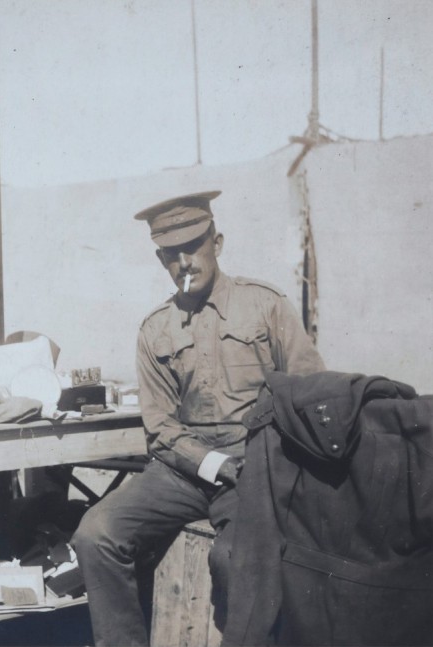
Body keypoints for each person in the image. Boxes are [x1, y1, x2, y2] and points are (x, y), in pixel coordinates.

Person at [71, 190, 325, 646]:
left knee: (233, 560)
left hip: (255, 469)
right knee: (96, 534)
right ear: (160, 260)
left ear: (218, 243)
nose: (184, 262)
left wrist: (277, 467)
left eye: (194, 247)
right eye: (171, 254)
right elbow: (161, 427)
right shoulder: (155, 329)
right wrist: (212, 464)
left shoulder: (265, 306)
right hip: (182, 471)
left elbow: (310, 393)